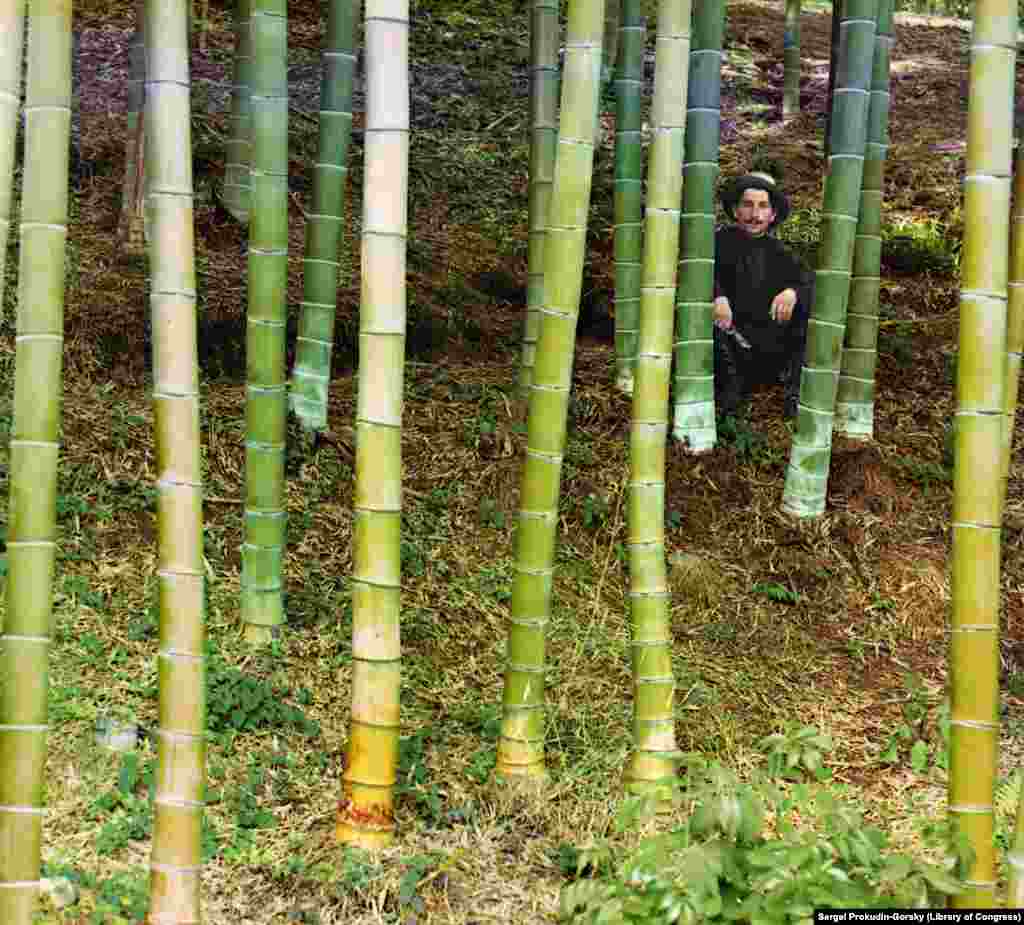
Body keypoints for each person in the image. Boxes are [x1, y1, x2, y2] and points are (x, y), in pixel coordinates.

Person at [712, 170, 813, 422]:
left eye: (763, 206)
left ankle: (795, 394)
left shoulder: (779, 252)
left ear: (773, 214)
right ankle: (729, 400)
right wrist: (717, 296)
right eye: (747, 205)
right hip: (725, 343)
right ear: (735, 210)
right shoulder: (716, 242)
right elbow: (693, 271)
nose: (755, 215)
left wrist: (792, 292)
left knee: (808, 307)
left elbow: (807, 280)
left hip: (767, 349)